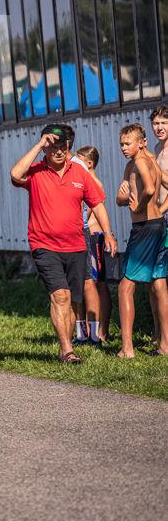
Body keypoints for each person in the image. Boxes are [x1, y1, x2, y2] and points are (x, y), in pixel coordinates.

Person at [10, 124, 117, 364]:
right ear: (45, 149)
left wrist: (108, 233)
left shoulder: (79, 172)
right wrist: (39, 144)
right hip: (44, 245)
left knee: (71, 299)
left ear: (67, 146)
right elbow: (15, 174)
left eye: (62, 146)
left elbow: (97, 203)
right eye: (52, 147)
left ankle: (65, 347)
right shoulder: (36, 172)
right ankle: (67, 350)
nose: (58, 151)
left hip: (76, 246)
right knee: (60, 295)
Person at [115, 123, 168, 358]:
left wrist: (140, 206)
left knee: (125, 287)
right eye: (121, 144)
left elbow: (148, 189)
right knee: (159, 283)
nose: (124, 148)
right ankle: (165, 345)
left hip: (144, 228)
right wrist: (159, 209)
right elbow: (120, 199)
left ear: (141, 143)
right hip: (158, 225)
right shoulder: (148, 163)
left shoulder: (140, 163)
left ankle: (127, 348)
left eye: (128, 144)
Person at [77, 146, 112, 343]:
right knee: (86, 284)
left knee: (99, 283)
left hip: (94, 236)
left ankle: (102, 330)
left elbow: (88, 211)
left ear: (89, 163)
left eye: (79, 160)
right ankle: (85, 331)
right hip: (86, 236)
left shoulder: (94, 183)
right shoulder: (83, 180)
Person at [146, 106, 168, 344]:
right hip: (157, 220)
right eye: (156, 123)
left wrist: (157, 169)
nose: (159, 128)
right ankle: (158, 332)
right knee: (155, 280)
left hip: (164, 216)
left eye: (164, 123)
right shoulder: (155, 149)